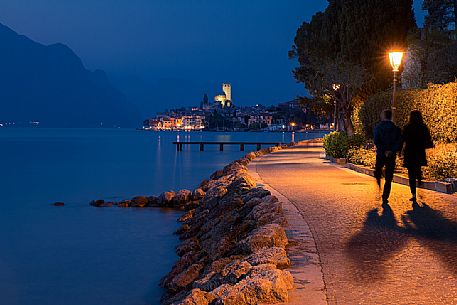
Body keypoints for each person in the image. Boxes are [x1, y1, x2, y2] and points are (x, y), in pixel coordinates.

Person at [402, 110, 433, 203]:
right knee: (418, 167)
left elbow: (403, 138)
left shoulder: (407, 127)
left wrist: (399, 150)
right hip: (419, 151)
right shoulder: (423, 127)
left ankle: (413, 194)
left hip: (409, 152)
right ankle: (419, 179)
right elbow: (428, 138)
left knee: (410, 173)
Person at [373, 109, 402, 205]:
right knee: (389, 176)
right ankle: (385, 196)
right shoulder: (396, 128)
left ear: (383, 116)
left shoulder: (378, 127)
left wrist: (383, 150)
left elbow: (376, 140)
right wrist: (391, 151)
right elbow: (399, 141)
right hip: (391, 155)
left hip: (381, 154)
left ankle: (379, 184)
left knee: (378, 170)